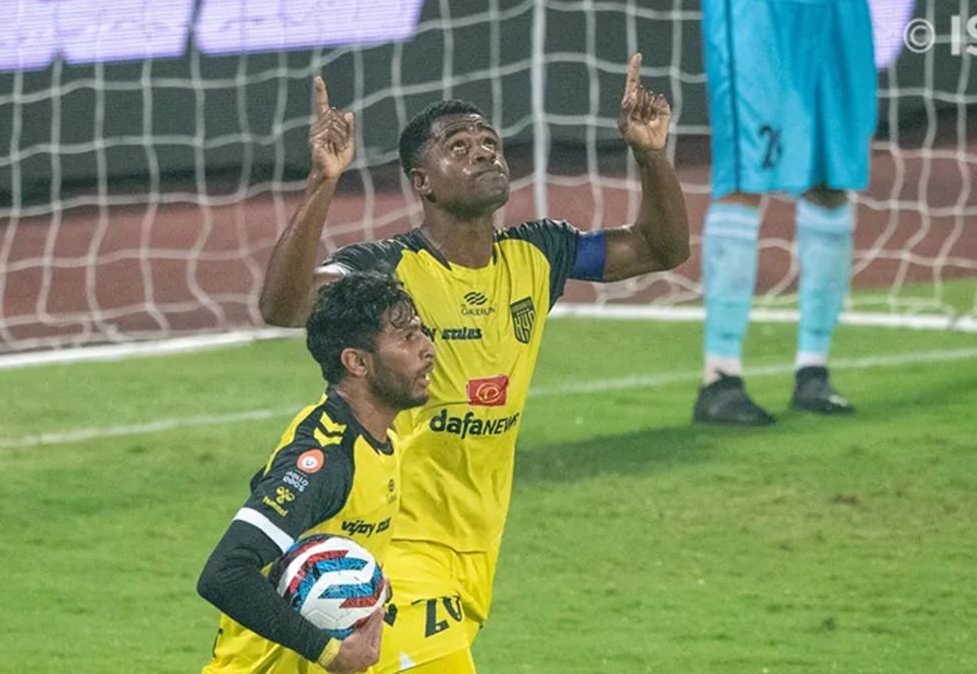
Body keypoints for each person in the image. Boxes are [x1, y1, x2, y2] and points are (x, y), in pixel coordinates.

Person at [258, 53, 689, 672]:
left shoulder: (541, 255)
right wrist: (324, 181)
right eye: (458, 147)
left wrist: (649, 152)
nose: (484, 152)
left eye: (489, 141)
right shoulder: (386, 269)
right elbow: (284, 305)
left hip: (475, 546)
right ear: (422, 181)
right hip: (392, 540)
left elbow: (661, 248)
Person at [198, 272, 435, 673]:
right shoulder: (325, 458)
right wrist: (329, 652)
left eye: (420, 332)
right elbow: (224, 573)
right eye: (407, 338)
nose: (428, 348)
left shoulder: (382, 440)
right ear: (357, 362)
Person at [693, 0, 877, 425]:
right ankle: (719, 378)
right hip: (758, 11)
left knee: (831, 179)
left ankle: (813, 369)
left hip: (838, 11)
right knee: (743, 176)